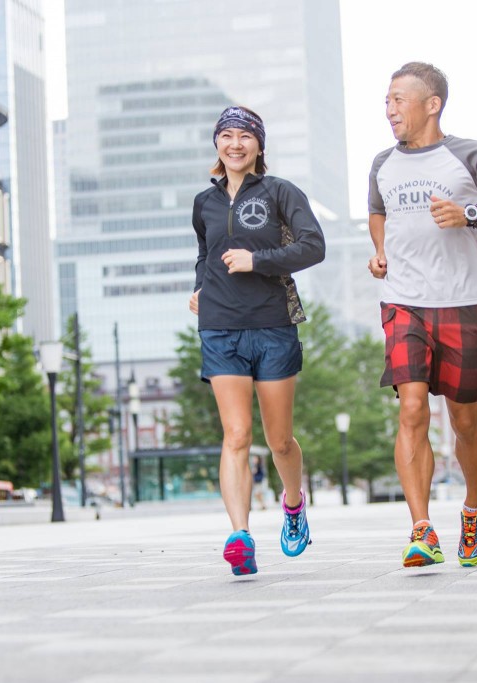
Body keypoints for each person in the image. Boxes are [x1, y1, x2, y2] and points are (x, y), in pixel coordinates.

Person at [367, 62, 477, 568]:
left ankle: (474, 508)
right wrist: (379, 251)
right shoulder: (381, 163)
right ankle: (422, 530)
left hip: (463, 300)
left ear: (432, 103)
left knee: (465, 420)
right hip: (403, 301)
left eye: (399, 99)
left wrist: (472, 213)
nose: (390, 108)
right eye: (386, 100)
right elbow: (378, 212)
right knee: (412, 408)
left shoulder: (469, 155)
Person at [190, 105, 326, 576]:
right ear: (216, 144)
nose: (235, 143)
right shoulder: (203, 203)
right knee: (237, 434)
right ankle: (240, 536)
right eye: (226, 135)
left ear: (259, 145)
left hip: (272, 325)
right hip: (219, 327)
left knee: (280, 439)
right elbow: (204, 256)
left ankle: (293, 504)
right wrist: (198, 290)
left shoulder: (280, 192)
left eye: (244, 136)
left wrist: (257, 260)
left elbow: (313, 246)